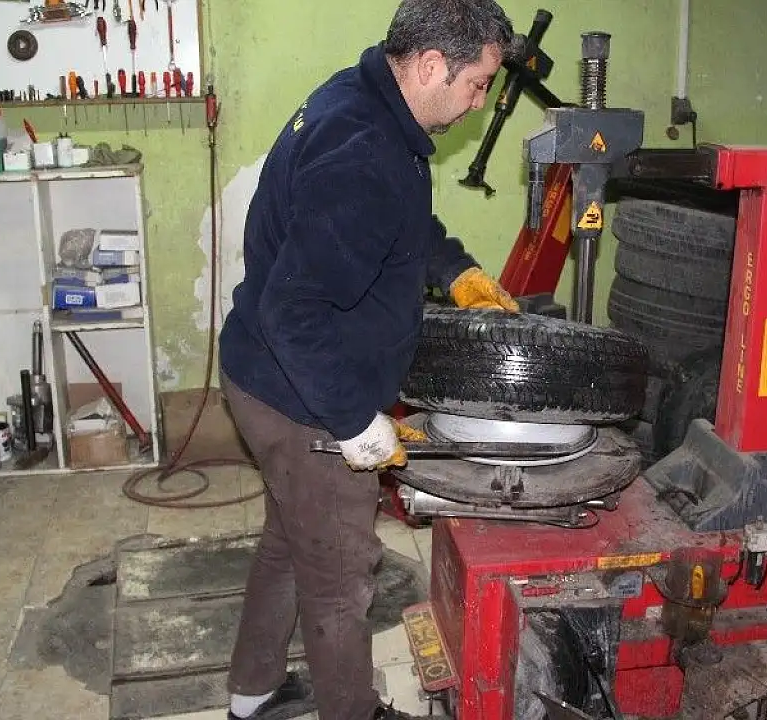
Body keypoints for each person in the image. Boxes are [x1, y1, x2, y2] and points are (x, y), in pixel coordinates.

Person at [216, 1, 522, 718]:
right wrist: (355, 422)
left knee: (290, 546)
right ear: (431, 65)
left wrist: (455, 270)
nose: (480, 103)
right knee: (340, 579)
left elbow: (401, 220)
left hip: (264, 372)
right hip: (302, 399)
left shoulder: (370, 103)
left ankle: (252, 698)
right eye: (478, 84)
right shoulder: (364, 154)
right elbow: (292, 312)